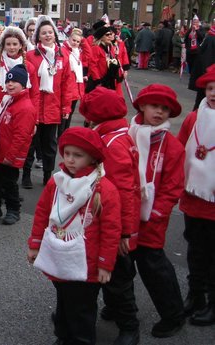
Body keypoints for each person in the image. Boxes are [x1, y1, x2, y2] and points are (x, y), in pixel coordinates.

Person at [27, 126, 121, 345]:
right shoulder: (57, 182)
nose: (70, 159)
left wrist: (105, 264)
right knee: (63, 302)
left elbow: (111, 229)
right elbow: (42, 213)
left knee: (82, 309)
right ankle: (63, 336)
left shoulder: (103, 189)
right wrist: (35, 244)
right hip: (59, 255)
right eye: (67, 153)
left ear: (92, 158)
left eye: (77, 155)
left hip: (86, 264)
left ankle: (81, 340)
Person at [79, 87, 141, 345]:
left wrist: (124, 233)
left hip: (111, 226)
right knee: (105, 275)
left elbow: (124, 193)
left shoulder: (113, 143)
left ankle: (129, 326)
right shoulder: (113, 134)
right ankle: (108, 311)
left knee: (117, 279)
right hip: (103, 220)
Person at [128, 84, 186, 338]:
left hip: (151, 218)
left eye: (165, 108)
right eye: (154, 106)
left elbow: (173, 186)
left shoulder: (172, 147)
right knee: (121, 264)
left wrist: (158, 212)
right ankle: (120, 306)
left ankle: (173, 314)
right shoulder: (127, 134)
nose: (159, 112)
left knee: (154, 267)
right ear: (142, 106)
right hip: (122, 214)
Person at [177, 64, 215, 327]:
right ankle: (195, 294)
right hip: (193, 197)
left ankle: (213, 300)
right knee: (195, 248)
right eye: (210, 89)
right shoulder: (193, 118)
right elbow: (179, 150)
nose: (213, 93)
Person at [26, 16, 70, 186]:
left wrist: (66, 106)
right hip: (34, 107)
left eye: (50, 32)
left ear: (55, 34)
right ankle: (26, 174)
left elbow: (67, 83)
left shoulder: (62, 55)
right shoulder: (30, 56)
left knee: (50, 145)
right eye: (43, 33)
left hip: (53, 107)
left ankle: (47, 175)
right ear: (38, 36)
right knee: (31, 143)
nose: (47, 35)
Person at [0, 64, 36, 225]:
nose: (10, 84)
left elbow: (21, 136)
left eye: (14, 82)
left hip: (9, 154)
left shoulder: (25, 107)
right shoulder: (9, 100)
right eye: (8, 81)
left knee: (9, 184)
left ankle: (13, 210)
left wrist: (11, 156)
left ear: (23, 84)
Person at [0, 26, 39, 109]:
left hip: (21, 112)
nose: (11, 47)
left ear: (21, 46)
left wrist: (34, 115)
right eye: (8, 44)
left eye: (15, 44)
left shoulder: (29, 67)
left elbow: (34, 94)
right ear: (3, 46)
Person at [60, 28, 90, 136]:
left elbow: (88, 54)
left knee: (70, 112)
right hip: (68, 85)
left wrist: (83, 41)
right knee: (64, 112)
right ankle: (61, 134)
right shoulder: (64, 50)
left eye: (78, 41)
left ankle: (65, 132)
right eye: (74, 40)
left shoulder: (78, 52)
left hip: (76, 86)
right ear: (69, 39)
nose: (75, 43)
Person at [88, 22, 128, 97]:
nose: (110, 36)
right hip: (100, 81)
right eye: (107, 35)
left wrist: (121, 75)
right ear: (101, 37)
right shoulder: (96, 48)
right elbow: (93, 65)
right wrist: (97, 81)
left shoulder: (110, 48)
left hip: (108, 80)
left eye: (110, 34)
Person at [188, 21, 215, 110]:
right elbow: (207, 61)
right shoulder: (211, 38)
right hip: (209, 79)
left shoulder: (210, 37)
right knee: (202, 105)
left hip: (208, 78)